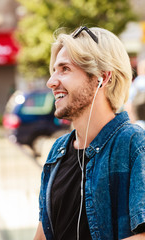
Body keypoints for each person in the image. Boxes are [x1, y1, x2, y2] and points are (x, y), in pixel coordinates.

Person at [34, 26, 145, 240]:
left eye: (65, 69)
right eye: (54, 70)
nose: (51, 81)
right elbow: (43, 232)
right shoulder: (57, 150)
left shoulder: (133, 144)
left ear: (102, 77)